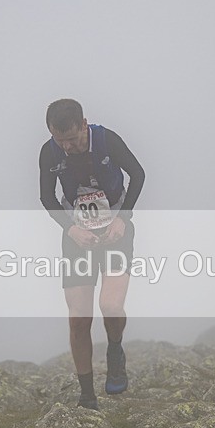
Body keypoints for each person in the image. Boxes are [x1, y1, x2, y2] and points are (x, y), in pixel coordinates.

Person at [39, 99, 145, 410]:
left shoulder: (107, 140)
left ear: (84, 124)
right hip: (78, 236)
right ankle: (87, 396)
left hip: (116, 232)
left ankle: (115, 349)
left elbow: (138, 175)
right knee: (79, 319)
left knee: (110, 305)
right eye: (60, 140)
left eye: (72, 139)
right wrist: (71, 229)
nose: (67, 146)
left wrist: (123, 218)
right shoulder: (50, 152)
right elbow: (47, 196)